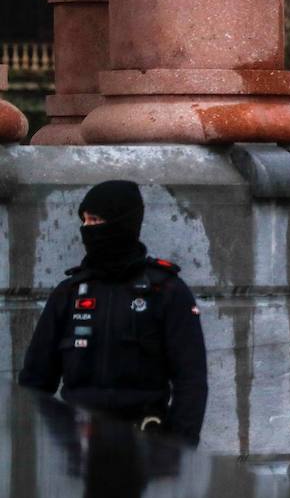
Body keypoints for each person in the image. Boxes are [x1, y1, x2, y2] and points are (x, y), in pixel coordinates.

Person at [19, 180, 208, 445]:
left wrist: (177, 450)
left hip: (144, 449)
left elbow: (191, 381)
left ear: (122, 223)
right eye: (84, 221)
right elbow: (35, 382)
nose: (88, 229)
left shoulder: (165, 291)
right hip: (78, 449)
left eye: (96, 220)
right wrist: (36, 443)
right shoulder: (69, 293)